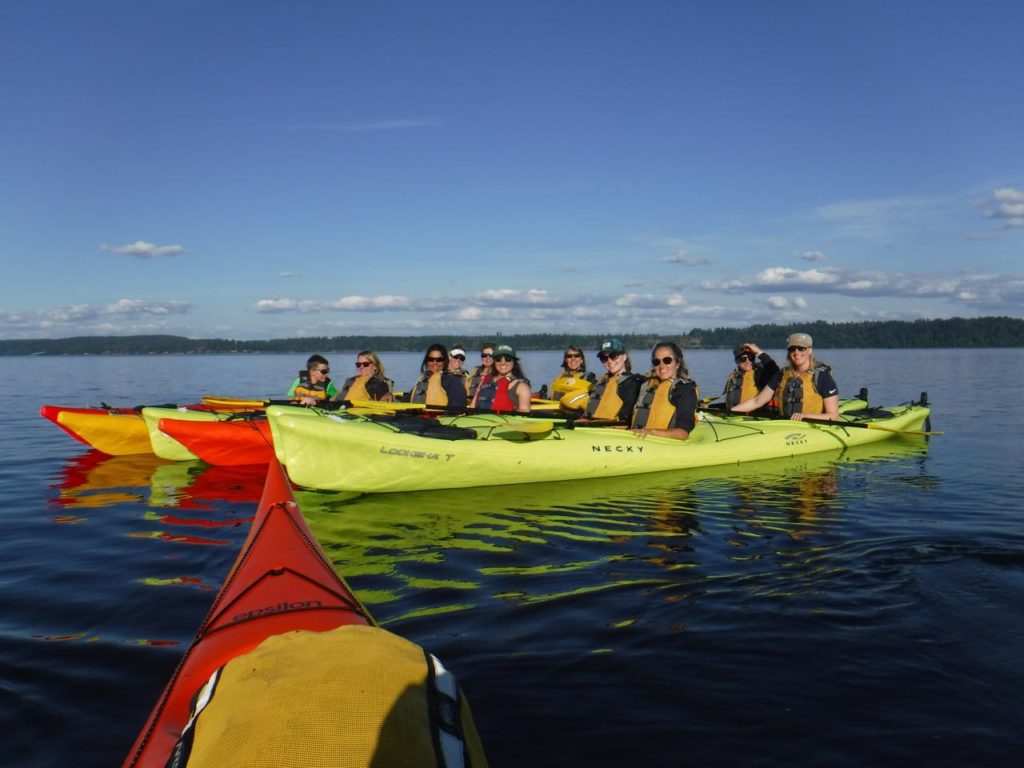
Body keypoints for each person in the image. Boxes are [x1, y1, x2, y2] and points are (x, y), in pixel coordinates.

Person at [730, 332, 839, 421]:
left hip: (810, 428)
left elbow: (833, 416)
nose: (796, 352)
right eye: (792, 349)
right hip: (785, 427)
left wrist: (806, 416)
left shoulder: (823, 378)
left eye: (801, 348)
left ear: (809, 350)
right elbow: (757, 401)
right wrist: (730, 412)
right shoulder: (781, 375)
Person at [631, 341, 699, 441]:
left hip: (663, 445)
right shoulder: (646, 386)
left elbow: (683, 433)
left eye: (667, 360)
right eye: (657, 362)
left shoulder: (685, 390)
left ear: (677, 363)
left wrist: (651, 432)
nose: (662, 366)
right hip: (637, 441)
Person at [583, 338, 646, 422]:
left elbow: (627, 417)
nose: (609, 361)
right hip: (592, 426)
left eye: (613, 356)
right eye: (604, 358)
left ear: (624, 357)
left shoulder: (633, 383)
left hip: (612, 430)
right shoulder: (600, 382)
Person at [470, 344, 532, 413]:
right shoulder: (484, 379)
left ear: (514, 362)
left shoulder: (522, 387)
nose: (503, 363)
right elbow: (472, 406)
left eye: (507, 359)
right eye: (498, 359)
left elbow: (524, 413)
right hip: (479, 420)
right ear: (494, 361)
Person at [722, 343, 780, 412]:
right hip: (734, 416)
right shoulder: (734, 376)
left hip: (754, 418)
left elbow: (776, 372)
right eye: (743, 358)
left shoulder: (760, 374)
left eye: (751, 357)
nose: (748, 361)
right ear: (736, 361)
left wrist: (759, 352)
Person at [408, 343, 469, 409]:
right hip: (416, 417)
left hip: (439, 418)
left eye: (439, 360)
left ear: (445, 361)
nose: (435, 362)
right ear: (426, 362)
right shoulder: (422, 381)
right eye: (431, 359)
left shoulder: (453, 382)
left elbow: (457, 409)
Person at [549, 344, 597, 411]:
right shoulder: (560, 377)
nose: (573, 359)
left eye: (576, 356)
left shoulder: (589, 377)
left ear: (581, 360)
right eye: (569, 356)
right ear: (566, 360)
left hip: (576, 413)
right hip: (556, 410)